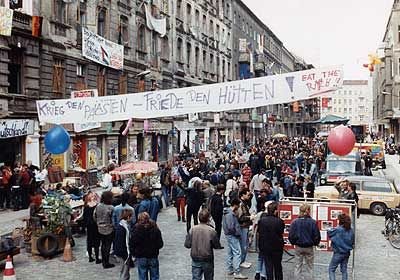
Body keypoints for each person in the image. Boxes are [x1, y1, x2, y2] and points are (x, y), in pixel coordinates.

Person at [185, 208, 222, 280]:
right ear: (208, 218)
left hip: (196, 257)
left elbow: (187, 245)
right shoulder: (211, 231)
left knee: (196, 277)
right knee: (209, 277)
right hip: (207, 258)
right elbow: (217, 245)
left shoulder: (192, 229)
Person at [288, 203, 321, 280]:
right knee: (310, 267)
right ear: (308, 211)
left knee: (297, 266)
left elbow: (291, 235)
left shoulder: (295, 222)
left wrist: (294, 242)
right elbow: (316, 235)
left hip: (298, 246)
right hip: (309, 246)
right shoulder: (313, 222)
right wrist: (315, 243)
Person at [132, 212, 164, 280]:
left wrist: (135, 252)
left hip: (141, 256)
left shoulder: (136, 230)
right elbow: (160, 244)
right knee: (154, 276)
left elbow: (133, 243)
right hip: (153, 255)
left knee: (142, 276)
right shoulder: (155, 229)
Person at [258, 202, 285, 280]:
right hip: (276, 247)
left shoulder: (262, 220)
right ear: (275, 211)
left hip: (265, 247)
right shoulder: (279, 221)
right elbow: (281, 232)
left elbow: (260, 233)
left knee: (268, 267)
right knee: (277, 267)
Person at [222, 198, 248, 279]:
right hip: (232, 235)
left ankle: (230, 268)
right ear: (236, 205)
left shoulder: (228, 213)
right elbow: (231, 227)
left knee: (230, 251)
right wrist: (237, 233)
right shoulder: (230, 214)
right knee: (237, 252)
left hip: (229, 235)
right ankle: (236, 272)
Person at [328, 214, 355, 280]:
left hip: (338, 253)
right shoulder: (351, 230)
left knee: (331, 269)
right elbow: (352, 242)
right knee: (344, 270)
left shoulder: (338, 229)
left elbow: (329, 232)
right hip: (347, 253)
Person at [94, 191, 115, 269]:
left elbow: (94, 216)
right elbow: (113, 219)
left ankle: (104, 260)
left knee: (103, 245)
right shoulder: (111, 207)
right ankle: (106, 262)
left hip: (100, 227)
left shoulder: (98, 206)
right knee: (108, 245)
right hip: (108, 228)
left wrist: (98, 223)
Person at [114, 209, 134, 280]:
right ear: (128, 217)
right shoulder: (123, 228)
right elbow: (121, 243)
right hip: (123, 253)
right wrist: (126, 255)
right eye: (131, 217)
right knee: (124, 273)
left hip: (122, 252)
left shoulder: (122, 225)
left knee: (125, 272)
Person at [237, 189, 253, 269]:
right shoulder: (241, 204)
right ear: (242, 195)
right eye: (247, 195)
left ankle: (243, 260)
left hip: (245, 226)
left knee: (245, 244)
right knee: (243, 245)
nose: (249, 196)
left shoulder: (244, 203)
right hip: (243, 226)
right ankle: (241, 261)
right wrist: (250, 217)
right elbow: (240, 217)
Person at [83, 192, 101, 264]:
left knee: (89, 241)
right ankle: (97, 258)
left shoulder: (86, 206)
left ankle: (90, 257)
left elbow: (84, 217)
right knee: (96, 241)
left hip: (89, 225)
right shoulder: (97, 205)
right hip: (95, 225)